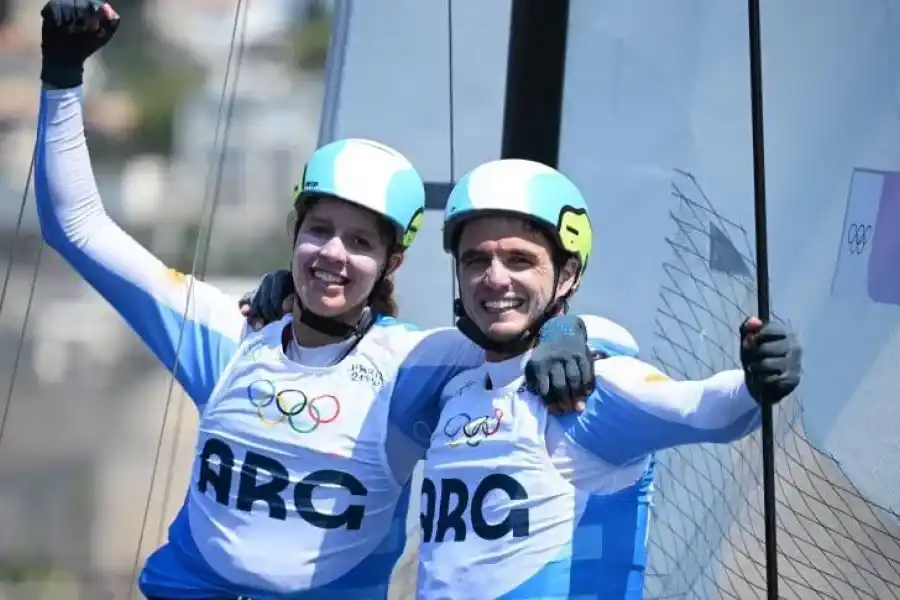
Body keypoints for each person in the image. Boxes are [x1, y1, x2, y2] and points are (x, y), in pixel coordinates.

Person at [34, 3, 602, 599]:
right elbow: (76, 227)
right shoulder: (229, 332)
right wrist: (63, 75)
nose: (332, 253)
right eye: (319, 230)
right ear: (295, 235)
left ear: (392, 263)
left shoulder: (416, 365)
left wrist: (569, 332)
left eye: (360, 242)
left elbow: (520, 326)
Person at [409, 158, 802, 599]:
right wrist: (565, 328)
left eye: (520, 259)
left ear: (567, 276)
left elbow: (706, 409)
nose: (495, 278)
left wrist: (757, 380)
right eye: (476, 259)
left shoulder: (590, 387)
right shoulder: (454, 386)